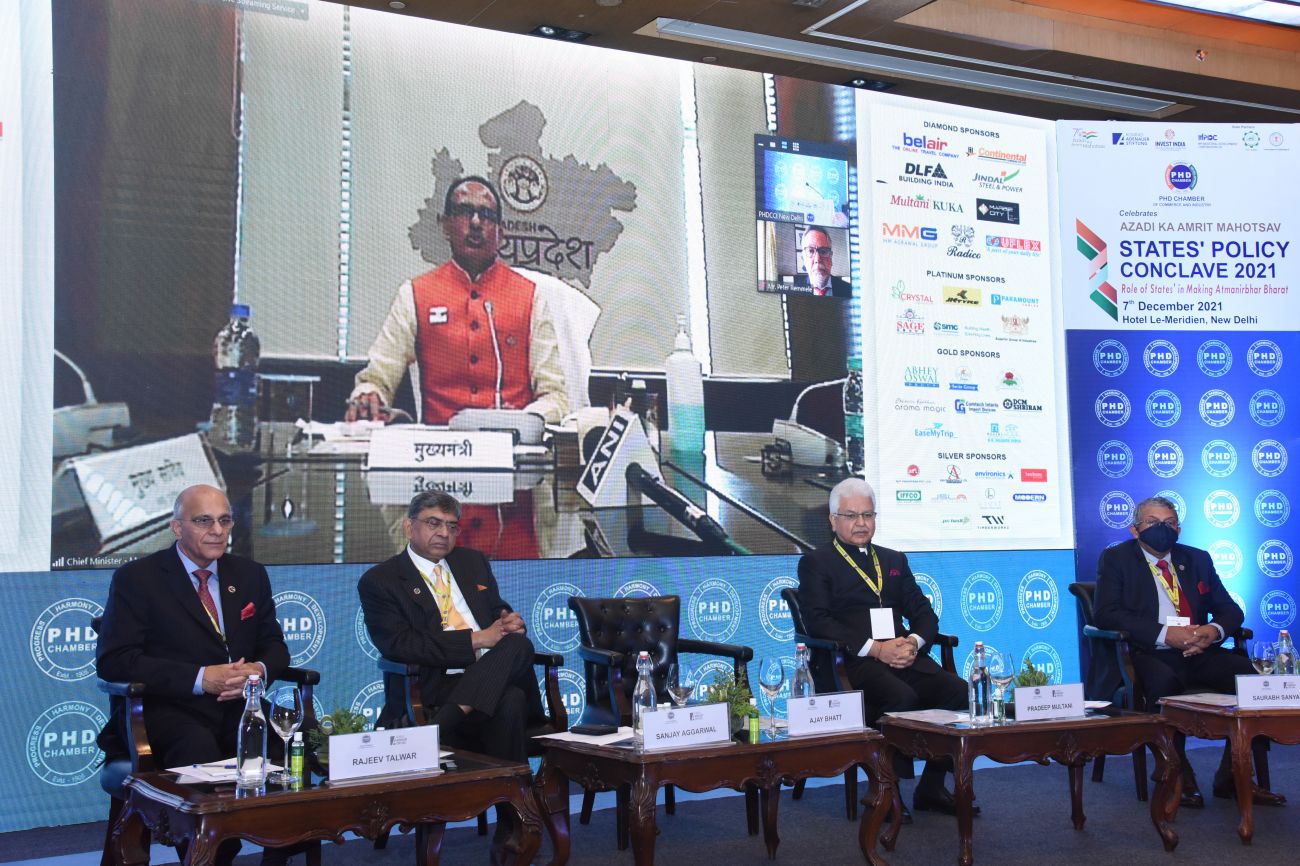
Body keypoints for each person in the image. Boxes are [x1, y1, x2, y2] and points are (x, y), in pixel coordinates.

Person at [96, 484, 291, 866]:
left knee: (291, 744)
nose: (217, 530)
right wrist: (202, 678)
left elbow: (275, 645)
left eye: (224, 520)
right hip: (165, 708)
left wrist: (259, 669)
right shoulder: (138, 579)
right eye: (203, 521)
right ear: (176, 527)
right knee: (196, 749)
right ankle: (210, 853)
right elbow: (115, 661)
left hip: (238, 704)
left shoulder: (249, 574)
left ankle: (282, 845)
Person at [797, 477, 970, 821]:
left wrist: (913, 642)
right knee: (900, 699)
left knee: (957, 690)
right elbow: (818, 622)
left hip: (903, 657)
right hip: (852, 662)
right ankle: (886, 788)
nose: (861, 523)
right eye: (851, 515)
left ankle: (931, 787)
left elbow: (923, 613)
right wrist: (877, 649)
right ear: (833, 520)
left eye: (867, 515)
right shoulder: (817, 562)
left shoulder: (893, 560)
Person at [1094, 495, 1281, 807]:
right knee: (1164, 685)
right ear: (1135, 529)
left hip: (1199, 651)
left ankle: (1234, 776)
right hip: (1149, 651)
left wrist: (1213, 631)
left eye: (1169, 523)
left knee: (1253, 682)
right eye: (1153, 523)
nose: (1162, 529)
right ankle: (1176, 772)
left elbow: (1230, 610)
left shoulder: (1197, 559)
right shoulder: (1116, 559)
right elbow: (1107, 613)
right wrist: (1168, 635)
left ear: (1178, 529)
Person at [346, 176, 569, 425]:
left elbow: (556, 397)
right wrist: (368, 396)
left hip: (512, 449)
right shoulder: (415, 294)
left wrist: (523, 419)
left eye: (486, 215)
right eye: (464, 212)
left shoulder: (532, 296)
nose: (475, 222)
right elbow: (377, 378)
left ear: (500, 233)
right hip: (439, 452)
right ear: (446, 225)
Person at [358, 490, 544, 765]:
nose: (444, 533)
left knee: (517, 643)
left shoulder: (472, 562)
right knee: (512, 698)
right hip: (433, 684)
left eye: (452, 526)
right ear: (409, 527)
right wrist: (477, 639)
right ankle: (513, 806)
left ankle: (439, 728)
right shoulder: (381, 580)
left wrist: (507, 621)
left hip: (484, 675)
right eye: (434, 523)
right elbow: (401, 645)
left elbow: (495, 609)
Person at [791, 227, 852, 298]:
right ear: (804, 259)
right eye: (811, 251)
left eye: (823, 251)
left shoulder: (849, 290)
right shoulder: (793, 292)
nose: (817, 259)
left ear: (831, 258)